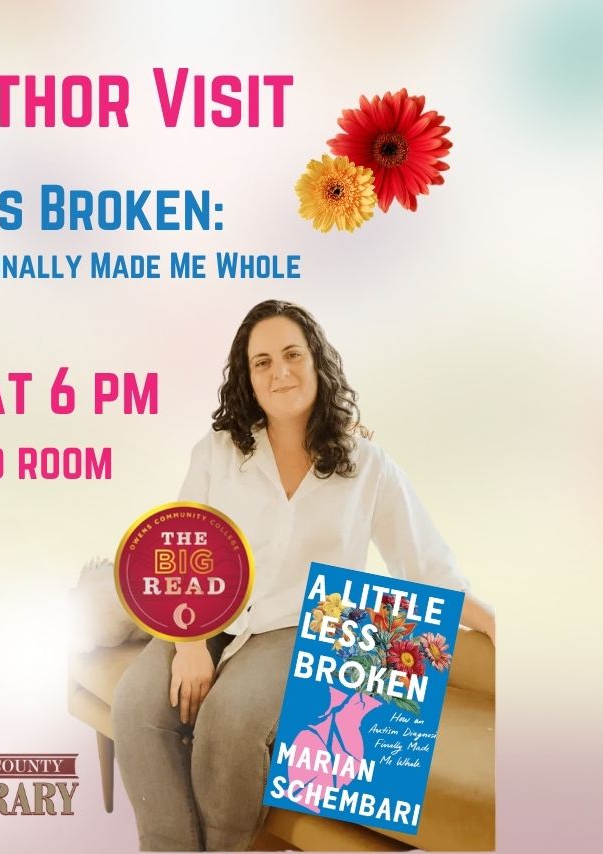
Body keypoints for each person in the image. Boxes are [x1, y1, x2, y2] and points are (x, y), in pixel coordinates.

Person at [112, 300, 496, 851]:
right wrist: (190, 642)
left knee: (231, 720)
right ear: (248, 379)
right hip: (211, 612)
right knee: (136, 704)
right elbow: (180, 542)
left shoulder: (369, 466)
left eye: (292, 354)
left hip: (306, 624)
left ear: (318, 363)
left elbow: (425, 564)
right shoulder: (218, 451)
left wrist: (491, 621)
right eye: (262, 362)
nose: (280, 372)